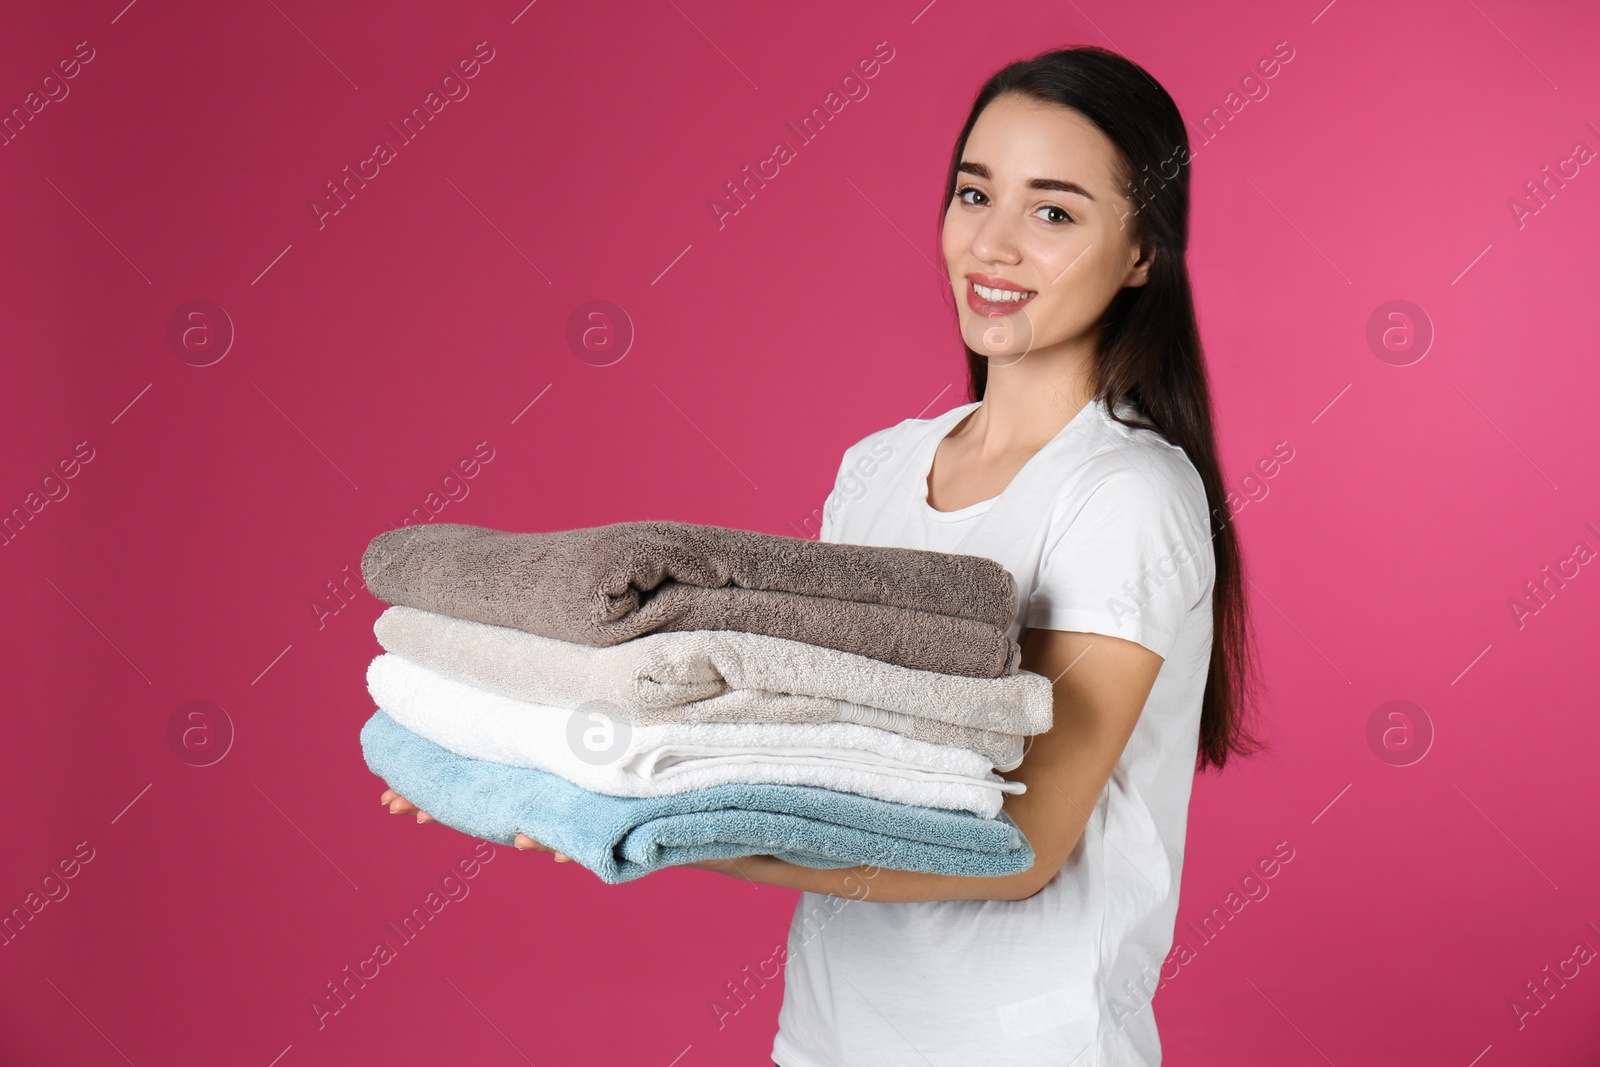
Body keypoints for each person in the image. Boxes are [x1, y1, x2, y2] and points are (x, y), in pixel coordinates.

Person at [381, 44, 1266, 1065]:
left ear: (1143, 251)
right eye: (974, 194)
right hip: (828, 1038)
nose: (993, 244)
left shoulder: (1124, 492)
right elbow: (818, 752)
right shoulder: (880, 467)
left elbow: (1015, 845)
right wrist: (534, 754)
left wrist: (637, 812)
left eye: (1053, 212)